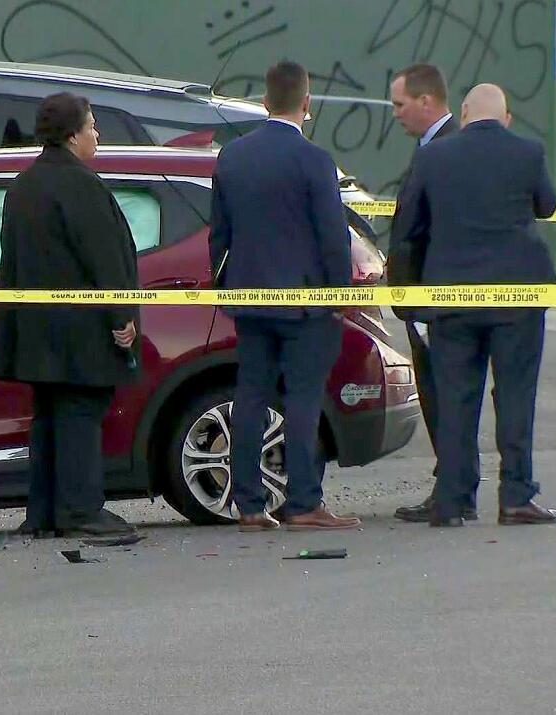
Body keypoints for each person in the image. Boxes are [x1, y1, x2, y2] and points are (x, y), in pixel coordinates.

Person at [391, 83, 556, 527]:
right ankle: (516, 497)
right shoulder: (528, 152)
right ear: (505, 118)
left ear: (464, 114)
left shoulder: (433, 157)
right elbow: (547, 206)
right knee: (516, 395)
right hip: (518, 297)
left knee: (455, 399)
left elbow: (409, 225)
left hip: (450, 297)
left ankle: (451, 501)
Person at [209, 60, 359, 532]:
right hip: (305, 303)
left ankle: (249, 505)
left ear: (265, 100)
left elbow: (220, 234)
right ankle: (302, 502)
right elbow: (333, 237)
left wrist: (223, 288)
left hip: (249, 300)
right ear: (307, 103)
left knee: (249, 397)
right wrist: (339, 293)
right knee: (302, 399)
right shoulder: (315, 160)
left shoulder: (232, 157)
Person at [0, 92, 141, 538]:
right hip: (79, 328)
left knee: (48, 416)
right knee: (79, 412)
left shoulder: (24, 184)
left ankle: (44, 513)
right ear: (73, 135)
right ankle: (80, 511)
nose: (97, 134)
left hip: (35, 328)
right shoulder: (81, 185)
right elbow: (105, 258)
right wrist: (122, 316)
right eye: (92, 126)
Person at [386, 63, 479, 523]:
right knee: (443, 395)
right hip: (425, 297)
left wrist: (416, 297)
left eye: (400, 105)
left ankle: (453, 491)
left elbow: (420, 230)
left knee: (444, 397)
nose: (396, 114)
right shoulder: (434, 148)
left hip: (435, 298)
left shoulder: (444, 152)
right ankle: (457, 487)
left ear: (427, 101)